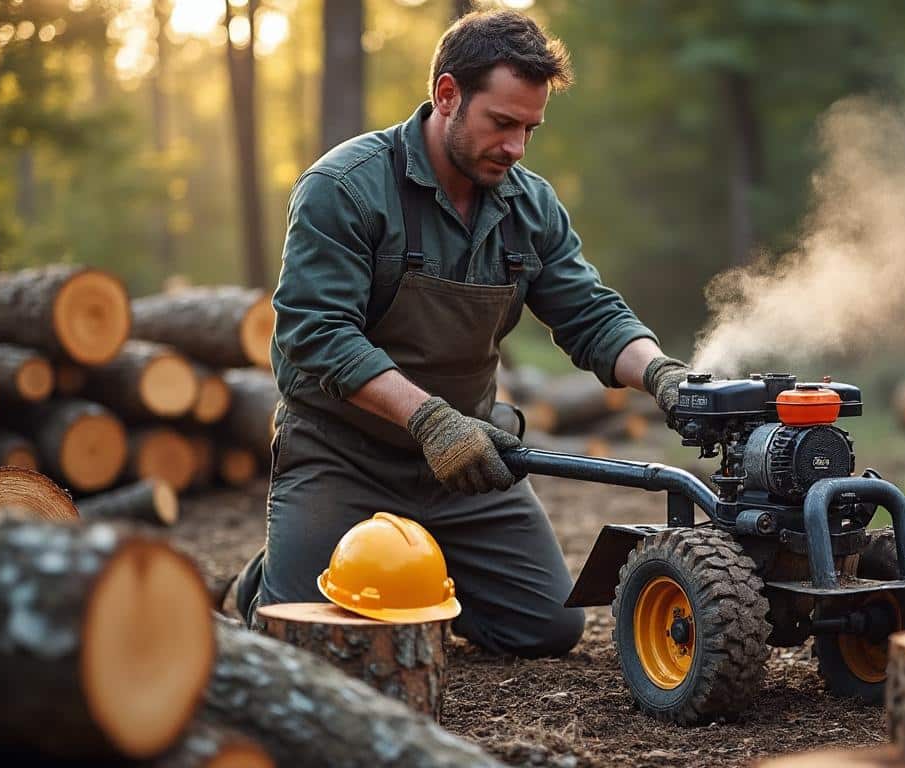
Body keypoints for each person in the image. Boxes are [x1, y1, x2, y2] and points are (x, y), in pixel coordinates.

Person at [231, 10, 690, 658]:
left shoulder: (530, 206)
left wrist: (664, 375)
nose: (517, 147)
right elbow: (316, 331)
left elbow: (590, 313)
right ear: (447, 95)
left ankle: (414, 559)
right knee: (301, 641)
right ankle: (265, 577)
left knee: (546, 630)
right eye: (501, 124)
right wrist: (429, 421)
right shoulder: (345, 187)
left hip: (466, 464)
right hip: (342, 453)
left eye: (530, 128)